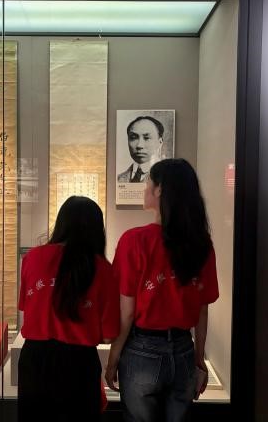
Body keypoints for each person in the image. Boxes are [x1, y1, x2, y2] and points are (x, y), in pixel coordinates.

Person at [106, 158, 219, 422]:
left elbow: (127, 313)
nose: (145, 187)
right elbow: (202, 311)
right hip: (184, 349)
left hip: (142, 351)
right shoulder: (201, 244)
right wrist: (198, 359)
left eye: (149, 182)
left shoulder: (134, 241)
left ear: (160, 190)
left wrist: (113, 358)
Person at [18, 196, 120, 422]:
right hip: (79, 362)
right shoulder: (104, 269)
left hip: (35, 359)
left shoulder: (32, 258)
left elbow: (25, 307)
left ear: (61, 223)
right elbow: (109, 335)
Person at [118, 116, 164, 183]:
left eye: (147, 138)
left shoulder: (168, 177)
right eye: (133, 137)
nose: (139, 145)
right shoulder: (118, 179)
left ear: (160, 142)